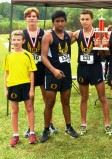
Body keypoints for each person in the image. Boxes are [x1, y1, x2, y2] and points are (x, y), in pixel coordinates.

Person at [72, 9, 112, 136]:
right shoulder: (77, 34)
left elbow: (106, 54)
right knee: (84, 98)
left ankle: (107, 124)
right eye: (82, 19)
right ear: (80, 20)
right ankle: (83, 124)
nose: (85, 21)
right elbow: (63, 43)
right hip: (82, 68)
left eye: (87, 19)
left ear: (92, 20)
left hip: (95, 67)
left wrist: (102, 45)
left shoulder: (99, 33)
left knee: (102, 98)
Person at [40, 10, 79, 143]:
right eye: (57, 21)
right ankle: (46, 129)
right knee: (49, 103)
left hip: (66, 73)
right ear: (53, 22)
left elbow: (79, 35)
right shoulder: (48, 36)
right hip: (52, 74)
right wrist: (53, 70)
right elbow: (43, 57)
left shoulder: (68, 35)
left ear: (65, 22)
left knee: (66, 101)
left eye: (62, 21)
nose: (60, 23)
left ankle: (68, 127)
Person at [22, 7, 58, 138]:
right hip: (28, 72)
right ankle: (30, 127)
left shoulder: (44, 33)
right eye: (29, 16)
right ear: (25, 18)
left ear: (38, 18)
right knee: (29, 100)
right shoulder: (22, 34)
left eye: (34, 16)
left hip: (43, 70)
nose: (32, 18)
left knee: (47, 99)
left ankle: (50, 124)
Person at [4, 30, 37, 147]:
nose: (16, 42)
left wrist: (32, 89)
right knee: (14, 110)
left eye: (18, 40)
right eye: (14, 40)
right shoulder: (8, 56)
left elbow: (32, 73)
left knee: (29, 108)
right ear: (11, 41)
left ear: (23, 41)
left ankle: (32, 133)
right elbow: (6, 73)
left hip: (25, 85)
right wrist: (6, 88)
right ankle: (15, 135)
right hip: (13, 86)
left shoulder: (28, 55)